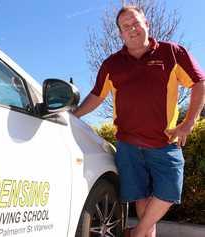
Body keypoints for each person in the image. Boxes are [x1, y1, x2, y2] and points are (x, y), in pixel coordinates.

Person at [73, 5, 205, 237]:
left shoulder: (172, 52)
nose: (132, 29)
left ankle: (136, 233)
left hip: (165, 142)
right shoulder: (111, 65)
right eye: (126, 26)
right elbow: (96, 95)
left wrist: (189, 122)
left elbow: (199, 82)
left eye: (136, 23)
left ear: (146, 24)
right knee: (141, 197)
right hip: (128, 145)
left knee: (169, 191)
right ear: (120, 34)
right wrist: (73, 115)